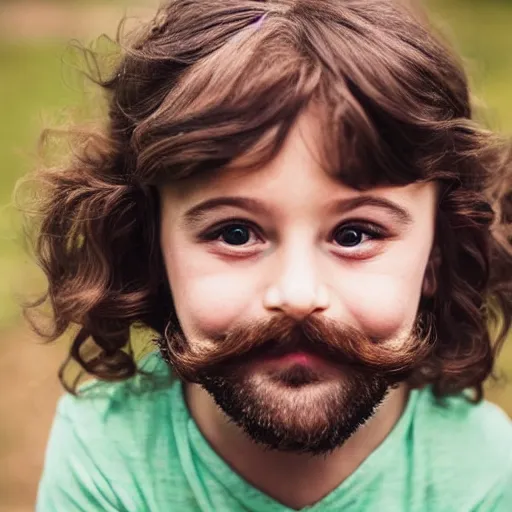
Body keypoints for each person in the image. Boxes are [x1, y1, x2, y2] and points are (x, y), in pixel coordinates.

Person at [28, 0, 512, 510]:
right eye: (236, 233)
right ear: (151, 247)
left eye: (354, 235)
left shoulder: (481, 472)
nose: (298, 295)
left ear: (437, 254)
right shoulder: (108, 459)